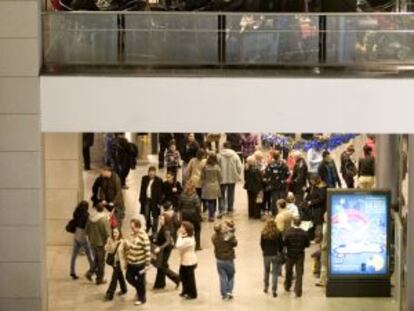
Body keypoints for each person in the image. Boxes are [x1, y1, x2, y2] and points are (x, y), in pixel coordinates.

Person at [124, 218, 151, 306]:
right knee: (128, 277)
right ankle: (140, 290)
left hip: (140, 264)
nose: (131, 229)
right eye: (131, 227)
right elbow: (130, 247)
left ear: (138, 227)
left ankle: (142, 298)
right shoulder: (132, 235)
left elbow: (147, 250)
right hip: (131, 263)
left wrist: (147, 264)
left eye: (132, 227)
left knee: (140, 281)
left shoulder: (144, 236)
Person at [153, 213, 181, 289]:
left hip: (165, 250)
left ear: (166, 220)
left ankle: (177, 278)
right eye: (160, 219)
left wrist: (160, 248)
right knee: (162, 265)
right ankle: (160, 284)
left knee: (162, 266)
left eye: (161, 219)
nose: (160, 220)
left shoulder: (166, 229)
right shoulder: (163, 227)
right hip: (164, 249)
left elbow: (168, 241)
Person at [85, 203, 111, 285]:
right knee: (101, 262)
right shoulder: (103, 219)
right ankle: (99, 279)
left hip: (92, 242)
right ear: (103, 209)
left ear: (96, 209)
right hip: (101, 243)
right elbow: (107, 233)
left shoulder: (91, 218)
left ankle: (89, 273)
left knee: (96, 258)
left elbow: (86, 230)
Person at [284, 218, 310, 298]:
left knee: (288, 271)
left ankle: (287, 286)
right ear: (300, 224)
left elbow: (285, 243)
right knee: (299, 273)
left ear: (293, 223)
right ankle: (298, 291)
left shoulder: (288, 232)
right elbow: (307, 245)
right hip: (300, 255)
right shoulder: (304, 233)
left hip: (290, 254)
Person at [212, 220, 238, 300]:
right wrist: (230, 232)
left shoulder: (214, 237)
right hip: (228, 259)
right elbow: (235, 243)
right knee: (231, 275)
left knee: (222, 277)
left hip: (219, 259)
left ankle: (224, 294)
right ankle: (229, 291)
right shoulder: (229, 236)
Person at [69, 201, 94, 280]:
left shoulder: (76, 212)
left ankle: (72, 272)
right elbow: (88, 226)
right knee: (89, 254)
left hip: (76, 233)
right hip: (83, 235)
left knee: (74, 255)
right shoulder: (86, 215)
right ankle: (93, 270)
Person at [218, 142, 243, 216]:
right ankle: (230, 208)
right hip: (232, 177)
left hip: (222, 177)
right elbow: (239, 166)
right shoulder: (235, 155)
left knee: (221, 194)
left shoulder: (219, 155)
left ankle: (221, 209)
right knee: (231, 193)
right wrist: (237, 174)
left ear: (223, 146)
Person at [260, 220, 284, 297]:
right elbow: (281, 245)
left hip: (266, 254)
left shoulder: (264, 233)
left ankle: (266, 287)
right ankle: (274, 290)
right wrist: (280, 251)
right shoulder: (278, 233)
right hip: (275, 254)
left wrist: (264, 250)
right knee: (274, 273)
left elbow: (262, 244)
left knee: (266, 271)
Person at [176, 221, 198, 300]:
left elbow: (178, 245)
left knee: (190, 279)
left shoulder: (188, 239)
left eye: (182, 227)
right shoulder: (187, 236)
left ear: (186, 229)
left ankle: (192, 294)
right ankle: (185, 291)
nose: (180, 228)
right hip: (184, 260)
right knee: (183, 276)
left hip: (189, 261)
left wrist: (179, 236)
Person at [104, 228, 127, 301]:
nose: (115, 234)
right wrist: (110, 243)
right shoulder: (110, 240)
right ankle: (124, 289)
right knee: (119, 276)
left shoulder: (123, 242)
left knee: (114, 278)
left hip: (120, 262)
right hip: (113, 262)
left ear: (119, 233)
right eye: (113, 232)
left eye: (116, 232)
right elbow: (107, 249)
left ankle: (110, 293)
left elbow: (126, 251)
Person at [264, 151, 290, 216]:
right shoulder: (283, 165)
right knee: (282, 200)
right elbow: (288, 174)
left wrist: (270, 182)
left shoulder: (270, 165)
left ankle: (275, 214)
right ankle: (283, 213)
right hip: (282, 186)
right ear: (279, 156)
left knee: (274, 201)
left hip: (274, 186)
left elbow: (266, 174)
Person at [178, 181, 202, 250]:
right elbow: (198, 207)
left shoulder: (182, 195)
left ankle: (185, 245)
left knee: (185, 229)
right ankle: (197, 245)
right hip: (194, 215)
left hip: (184, 215)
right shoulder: (195, 196)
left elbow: (179, 205)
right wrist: (199, 215)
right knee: (197, 230)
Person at [139, 166, 163, 235]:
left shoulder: (159, 180)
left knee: (155, 216)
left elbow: (160, 192)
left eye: (153, 174)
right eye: (150, 174)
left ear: (155, 173)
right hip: (146, 199)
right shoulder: (144, 178)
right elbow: (142, 189)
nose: (152, 175)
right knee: (146, 214)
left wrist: (159, 203)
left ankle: (154, 230)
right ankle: (148, 225)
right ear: (148, 173)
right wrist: (141, 199)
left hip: (155, 201)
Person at [304, 175, 327, 240]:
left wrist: (311, 202)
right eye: (311, 180)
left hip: (319, 208)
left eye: (312, 180)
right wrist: (307, 190)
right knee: (313, 222)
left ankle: (318, 237)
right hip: (313, 208)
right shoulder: (313, 186)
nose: (311, 182)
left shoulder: (322, 187)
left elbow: (321, 198)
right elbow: (311, 192)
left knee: (318, 223)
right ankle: (312, 236)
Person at [200, 154, 222, 221]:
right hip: (215, 185)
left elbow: (202, 177)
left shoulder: (205, 167)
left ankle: (211, 215)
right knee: (214, 200)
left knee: (210, 201)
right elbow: (220, 177)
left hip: (207, 185)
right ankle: (213, 214)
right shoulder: (217, 167)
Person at [316, 212, 328, 287]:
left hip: (325, 248)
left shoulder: (328, 226)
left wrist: (324, 245)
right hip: (323, 246)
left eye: (325, 216)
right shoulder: (325, 225)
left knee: (324, 264)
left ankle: (322, 280)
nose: (324, 217)